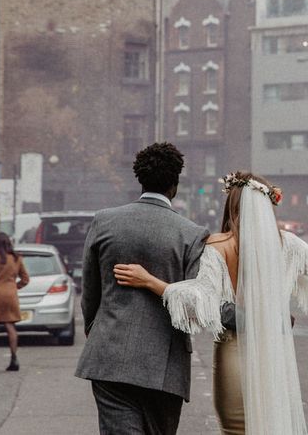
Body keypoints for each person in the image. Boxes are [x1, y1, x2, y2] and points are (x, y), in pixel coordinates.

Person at [113, 170, 308, 435]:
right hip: (274, 358)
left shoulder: (217, 247)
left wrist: (150, 282)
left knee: (234, 430)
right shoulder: (287, 245)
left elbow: (198, 301)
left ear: (231, 207)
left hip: (233, 354)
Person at [75, 142, 209, 435]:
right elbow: (192, 303)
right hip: (165, 364)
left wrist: (94, 327)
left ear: (140, 179)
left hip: (110, 354)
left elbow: (90, 291)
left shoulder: (104, 221)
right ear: (175, 184)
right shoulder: (192, 235)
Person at [0, 232, 29, 371]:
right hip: (11, 295)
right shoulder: (16, 258)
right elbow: (25, 279)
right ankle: (14, 358)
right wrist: (14, 287)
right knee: (10, 327)